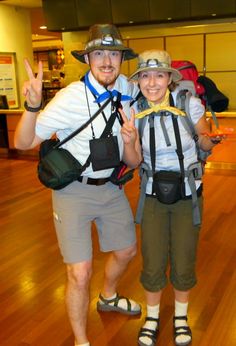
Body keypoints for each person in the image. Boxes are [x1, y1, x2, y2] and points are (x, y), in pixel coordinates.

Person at [14, 24, 142, 346]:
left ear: (121, 58)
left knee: (127, 250)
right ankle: (82, 341)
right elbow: (24, 141)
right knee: (79, 272)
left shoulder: (127, 88)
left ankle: (108, 296)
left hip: (112, 188)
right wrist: (31, 106)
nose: (107, 61)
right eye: (99, 53)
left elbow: (136, 157)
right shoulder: (69, 98)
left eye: (113, 53)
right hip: (74, 191)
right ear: (87, 58)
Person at [129, 50, 224, 346]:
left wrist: (212, 139)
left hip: (188, 194)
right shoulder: (134, 110)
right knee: (153, 258)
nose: (152, 82)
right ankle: (153, 317)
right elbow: (133, 162)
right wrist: (129, 140)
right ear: (139, 81)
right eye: (145, 75)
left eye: (158, 75)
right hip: (152, 194)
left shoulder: (189, 104)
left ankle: (181, 317)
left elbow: (203, 140)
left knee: (184, 256)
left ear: (170, 78)